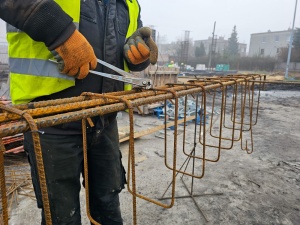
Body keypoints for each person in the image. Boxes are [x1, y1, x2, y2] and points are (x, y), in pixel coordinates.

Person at [0, 0, 157, 224]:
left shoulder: (129, 2)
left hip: (105, 118)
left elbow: (130, 43)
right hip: (50, 122)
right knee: (61, 215)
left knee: (108, 203)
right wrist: (57, 30)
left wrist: (137, 55)